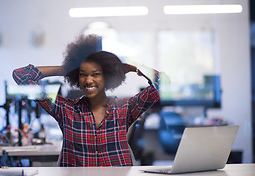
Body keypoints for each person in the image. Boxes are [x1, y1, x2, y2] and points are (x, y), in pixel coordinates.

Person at [12, 34, 161, 166]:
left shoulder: (125, 108)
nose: (88, 80)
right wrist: (67, 69)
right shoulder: (65, 110)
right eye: (83, 74)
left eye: (95, 74)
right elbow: (21, 76)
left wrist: (136, 68)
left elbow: (163, 83)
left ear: (107, 77)